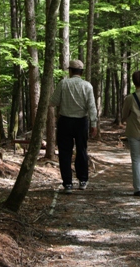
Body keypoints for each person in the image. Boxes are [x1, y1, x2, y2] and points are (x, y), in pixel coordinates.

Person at [50, 60, 97, 194]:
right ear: (81, 72)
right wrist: (93, 124)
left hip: (65, 121)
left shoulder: (63, 83)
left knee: (65, 152)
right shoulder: (87, 86)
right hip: (81, 122)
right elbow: (91, 106)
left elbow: (53, 102)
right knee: (81, 150)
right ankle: (82, 180)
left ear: (70, 70)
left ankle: (68, 183)